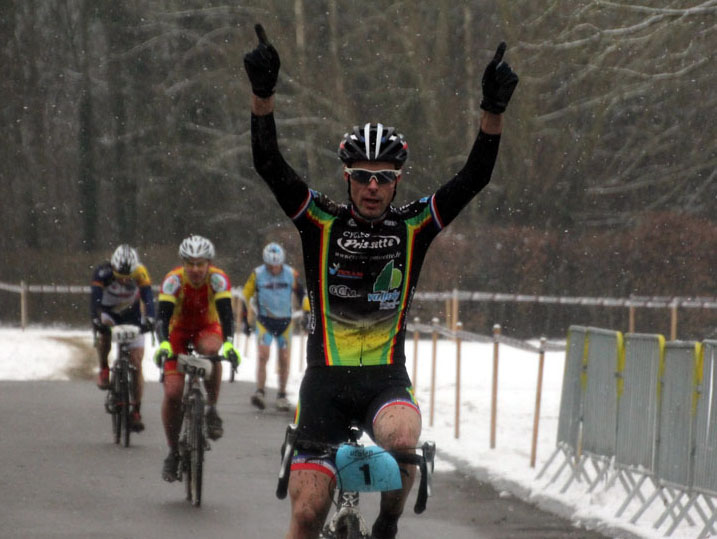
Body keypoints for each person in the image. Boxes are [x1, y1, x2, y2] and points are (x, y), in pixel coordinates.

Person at [244, 23, 518, 539]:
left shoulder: (413, 225)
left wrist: (493, 113)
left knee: (404, 441)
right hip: (325, 381)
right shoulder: (320, 221)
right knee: (305, 516)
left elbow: (474, 177)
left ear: (397, 181)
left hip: (384, 381)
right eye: (364, 176)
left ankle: (387, 523)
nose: (373, 187)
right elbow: (268, 163)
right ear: (347, 177)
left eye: (385, 177)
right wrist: (263, 97)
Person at [154, 234, 241, 482]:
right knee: (172, 393)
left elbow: (226, 315)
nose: (195, 269)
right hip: (178, 332)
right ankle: (173, 452)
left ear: (208, 263)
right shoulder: (173, 281)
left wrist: (229, 345)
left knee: (212, 352)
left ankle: (212, 407)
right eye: (190, 263)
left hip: (207, 328)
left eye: (200, 263)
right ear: (183, 264)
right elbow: (162, 317)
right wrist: (162, 345)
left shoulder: (218, 279)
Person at [90, 244, 155, 432]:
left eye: (129, 275)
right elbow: (94, 300)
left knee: (136, 362)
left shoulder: (140, 272)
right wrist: (96, 319)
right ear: (113, 267)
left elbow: (148, 297)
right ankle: (103, 367)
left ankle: (136, 409)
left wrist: (150, 318)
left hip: (132, 317)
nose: (126, 278)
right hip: (110, 315)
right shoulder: (102, 272)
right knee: (104, 335)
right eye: (121, 275)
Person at [243, 242, 309, 411]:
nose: (274, 269)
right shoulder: (257, 274)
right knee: (263, 356)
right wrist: (246, 319)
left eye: (277, 265)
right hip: (264, 321)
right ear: (265, 264)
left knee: (284, 358)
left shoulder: (290, 274)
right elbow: (246, 294)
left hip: (285, 322)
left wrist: (307, 313)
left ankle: (281, 394)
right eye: (270, 266)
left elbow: (302, 295)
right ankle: (260, 391)